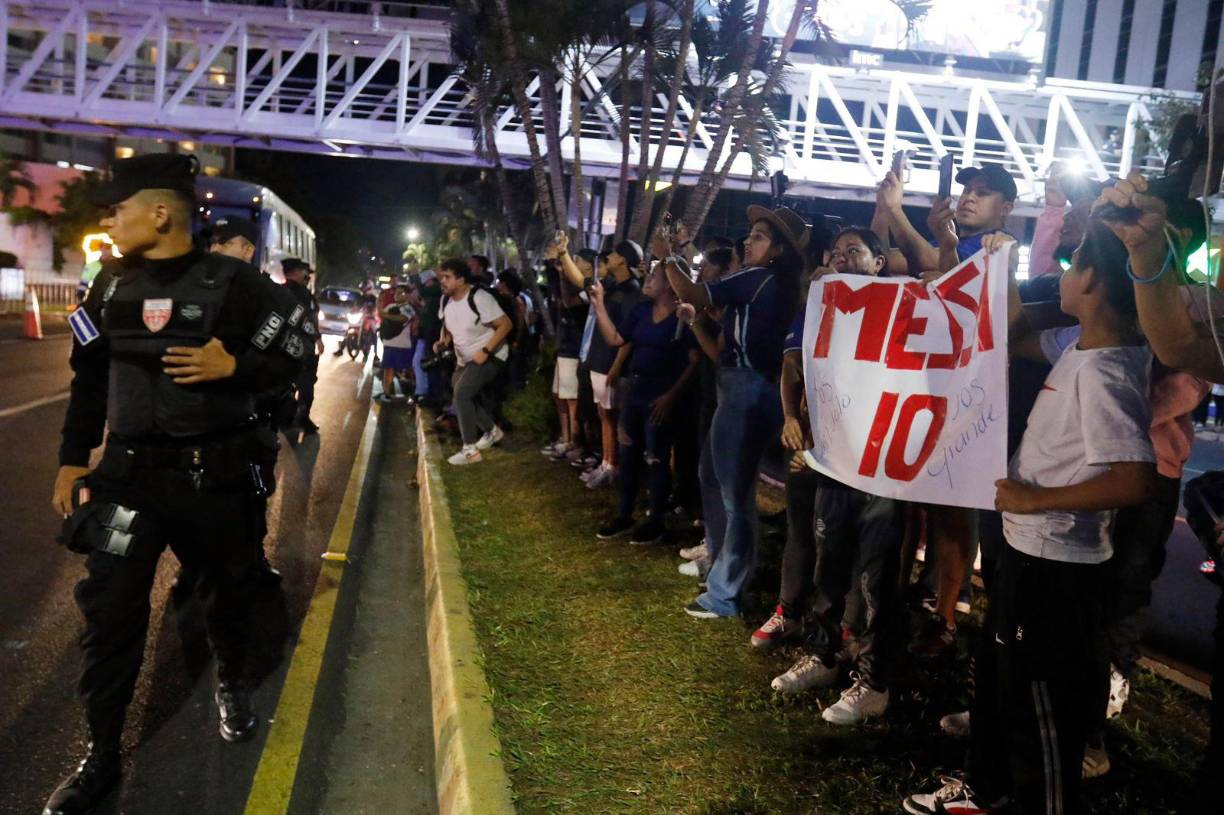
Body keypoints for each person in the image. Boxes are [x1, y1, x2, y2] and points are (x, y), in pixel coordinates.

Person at [47, 153, 311, 815]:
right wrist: (72, 456)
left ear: (159, 212)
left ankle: (232, 683)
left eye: (119, 210)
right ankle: (101, 753)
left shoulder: (237, 284)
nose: (111, 221)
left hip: (212, 481)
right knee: (109, 619)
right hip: (128, 480)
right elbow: (88, 376)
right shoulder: (108, 286)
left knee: (228, 594)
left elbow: (298, 349)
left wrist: (237, 364)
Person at [905, 222, 1156, 815]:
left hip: (1056, 566)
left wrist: (1031, 499)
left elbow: (1133, 478)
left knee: (1038, 703)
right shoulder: (1080, 344)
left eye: (1072, 268)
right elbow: (1014, 335)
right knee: (999, 677)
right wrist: (1005, 269)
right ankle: (984, 787)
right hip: (1027, 552)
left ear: (1092, 278)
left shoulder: (1106, 370)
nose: (1064, 276)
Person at [761, 228, 904, 726]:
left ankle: (873, 681)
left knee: (877, 580)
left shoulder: (902, 309)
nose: (840, 257)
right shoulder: (821, 308)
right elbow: (794, 368)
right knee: (829, 564)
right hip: (833, 461)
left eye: (853, 252)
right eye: (835, 250)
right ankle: (824, 656)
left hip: (884, 468)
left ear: (879, 263)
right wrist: (796, 423)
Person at [664, 205, 807, 620]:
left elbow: (693, 293)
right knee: (715, 479)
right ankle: (720, 568)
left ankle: (725, 592)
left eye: (760, 236)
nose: (748, 240)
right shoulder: (778, 284)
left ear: (779, 249)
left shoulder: (758, 277)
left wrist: (667, 257)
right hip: (747, 387)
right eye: (750, 234)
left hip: (746, 389)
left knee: (732, 493)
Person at [589, 260, 700, 544]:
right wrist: (599, 304)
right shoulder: (641, 311)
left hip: (659, 396)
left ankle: (656, 520)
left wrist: (671, 396)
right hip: (636, 392)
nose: (647, 279)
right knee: (628, 456)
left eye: (654, 276)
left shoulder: (682, 316)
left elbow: (694, 362)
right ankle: (624, 515)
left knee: (657, 459)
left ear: (670, 284)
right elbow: (615, 338)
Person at [206, 214, 283, 588]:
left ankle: (252, 559)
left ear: (248, 250)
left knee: (251, 495)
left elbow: (285, 360)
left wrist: (242, 373)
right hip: (203, 421)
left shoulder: (265, 293)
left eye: (226, 244)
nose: (216, 250)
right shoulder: (194, 288)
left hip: (250, 417)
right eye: (214, 243)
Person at [557, 235, 643, 489]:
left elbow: (628, 337)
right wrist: (563, 255)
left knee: (611, 417)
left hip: (611, 365)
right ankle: (606, 463)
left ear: (623, 261)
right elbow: (580, 281)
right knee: (603, 414)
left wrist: (617, 366)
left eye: (615, 255)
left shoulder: (632, 292)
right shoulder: (612, 285)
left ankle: (612, 466)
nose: (610, 258)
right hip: (598, 361)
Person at [434, 257, 513, 465]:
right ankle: (492, 432)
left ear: (461, 280)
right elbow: (449, 325)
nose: (442, 281)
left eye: (447, 277)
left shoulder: (480, 298)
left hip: (492, 355)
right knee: (459, 394)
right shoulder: (446, 300)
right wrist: (444, 341)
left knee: (462, 394)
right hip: (465, 359)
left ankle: (470, 451)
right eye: (442, 277)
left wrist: (486, 351)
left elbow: (506, 325)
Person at [876, 162, 1018, 276]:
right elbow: (880, 260)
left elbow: (925, 261)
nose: (969, 198)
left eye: (982, 193)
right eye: (967, 190)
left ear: (1005, 209)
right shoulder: (946, 240)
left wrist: (894, 209)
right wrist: (882, 209)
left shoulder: (995, 244)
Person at [281, 258, 324, 433]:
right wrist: (317, 338)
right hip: (302, 347)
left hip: (282, 345)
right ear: (297, 272)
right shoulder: (304, 295)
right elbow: (309, 319)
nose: (307, 277)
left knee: (284, 383)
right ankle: (303, 419)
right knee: (306, 385)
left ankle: (285, 417)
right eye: (305, 273)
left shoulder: (278, 291)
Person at [378, 283, 417, 402]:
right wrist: (379, 303)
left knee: (408, 369)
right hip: (389, 344)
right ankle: (387, 394)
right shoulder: (390, 306)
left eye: (401, 293)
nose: (397, 295)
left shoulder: (409, 308)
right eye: (396, 292)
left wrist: (385, 314)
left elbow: (402, 319)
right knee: (387, 369)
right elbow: (381, 315)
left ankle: (414, 392)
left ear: (407, 295)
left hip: (403, 345)